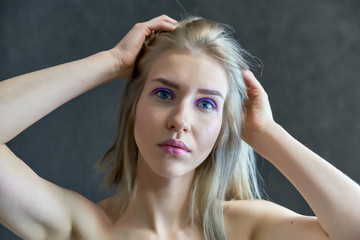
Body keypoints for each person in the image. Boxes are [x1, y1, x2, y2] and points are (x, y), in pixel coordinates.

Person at [0, 14, 359, 240]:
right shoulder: (80, 227)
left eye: (206, 104)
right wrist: (111, 63)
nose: (180, 120)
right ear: (135, 106)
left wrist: (266, 132)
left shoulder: (249, 229)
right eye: (163, 93)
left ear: (224, 124)